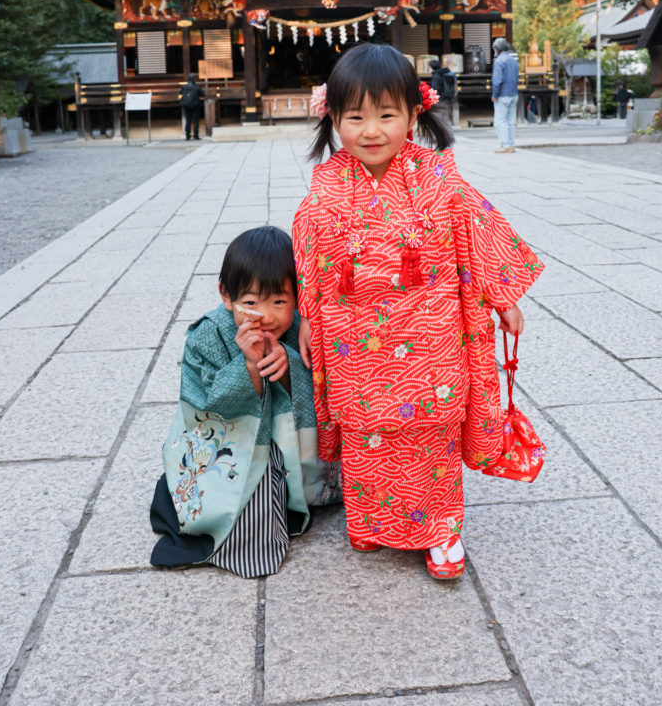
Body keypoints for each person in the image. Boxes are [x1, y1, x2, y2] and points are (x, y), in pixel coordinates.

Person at [292, 44, 544, 580]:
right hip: (352, 337)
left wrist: (505, 297)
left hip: (429, 336)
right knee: (367, 431)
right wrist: (310, 320)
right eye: (355, 117)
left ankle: (440, 529)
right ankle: (371, 521)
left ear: (414, 111)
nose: (372, 130)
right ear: (333, 118)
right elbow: (309, 252)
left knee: (430, 432)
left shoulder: (438, 177)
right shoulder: (325, 185)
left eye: (387, 114)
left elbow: (478, 234)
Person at [150, 226, 340, 575]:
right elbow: (204, 407)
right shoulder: (207, 335)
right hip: (237, 447)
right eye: (250, 303)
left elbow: (327, 391)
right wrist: (250, 366)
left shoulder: (303, 330)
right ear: (226, 295)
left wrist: (289, 367)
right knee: (248, 492)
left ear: (297, 297)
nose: (265, 316)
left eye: (279, 302)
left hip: (290, 447)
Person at [491, 38, 519, 152]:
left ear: (497, 49)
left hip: (502, 94)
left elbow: (497, 80)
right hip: (513, 93)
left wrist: (494, 94)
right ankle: (510, 144)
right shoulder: (514, 61)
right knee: (510, 121)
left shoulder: (499, 61)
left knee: (500, 121)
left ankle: (506, 145)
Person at [179, 72, 204, 140]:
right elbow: (202, 94)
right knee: (196, 121)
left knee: (188, 120)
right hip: (195, 105)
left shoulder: (184, 87)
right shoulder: (197, 87)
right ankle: (196, 135)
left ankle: (187, 135)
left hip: (186, 105)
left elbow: (180, 93)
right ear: (194, 79)